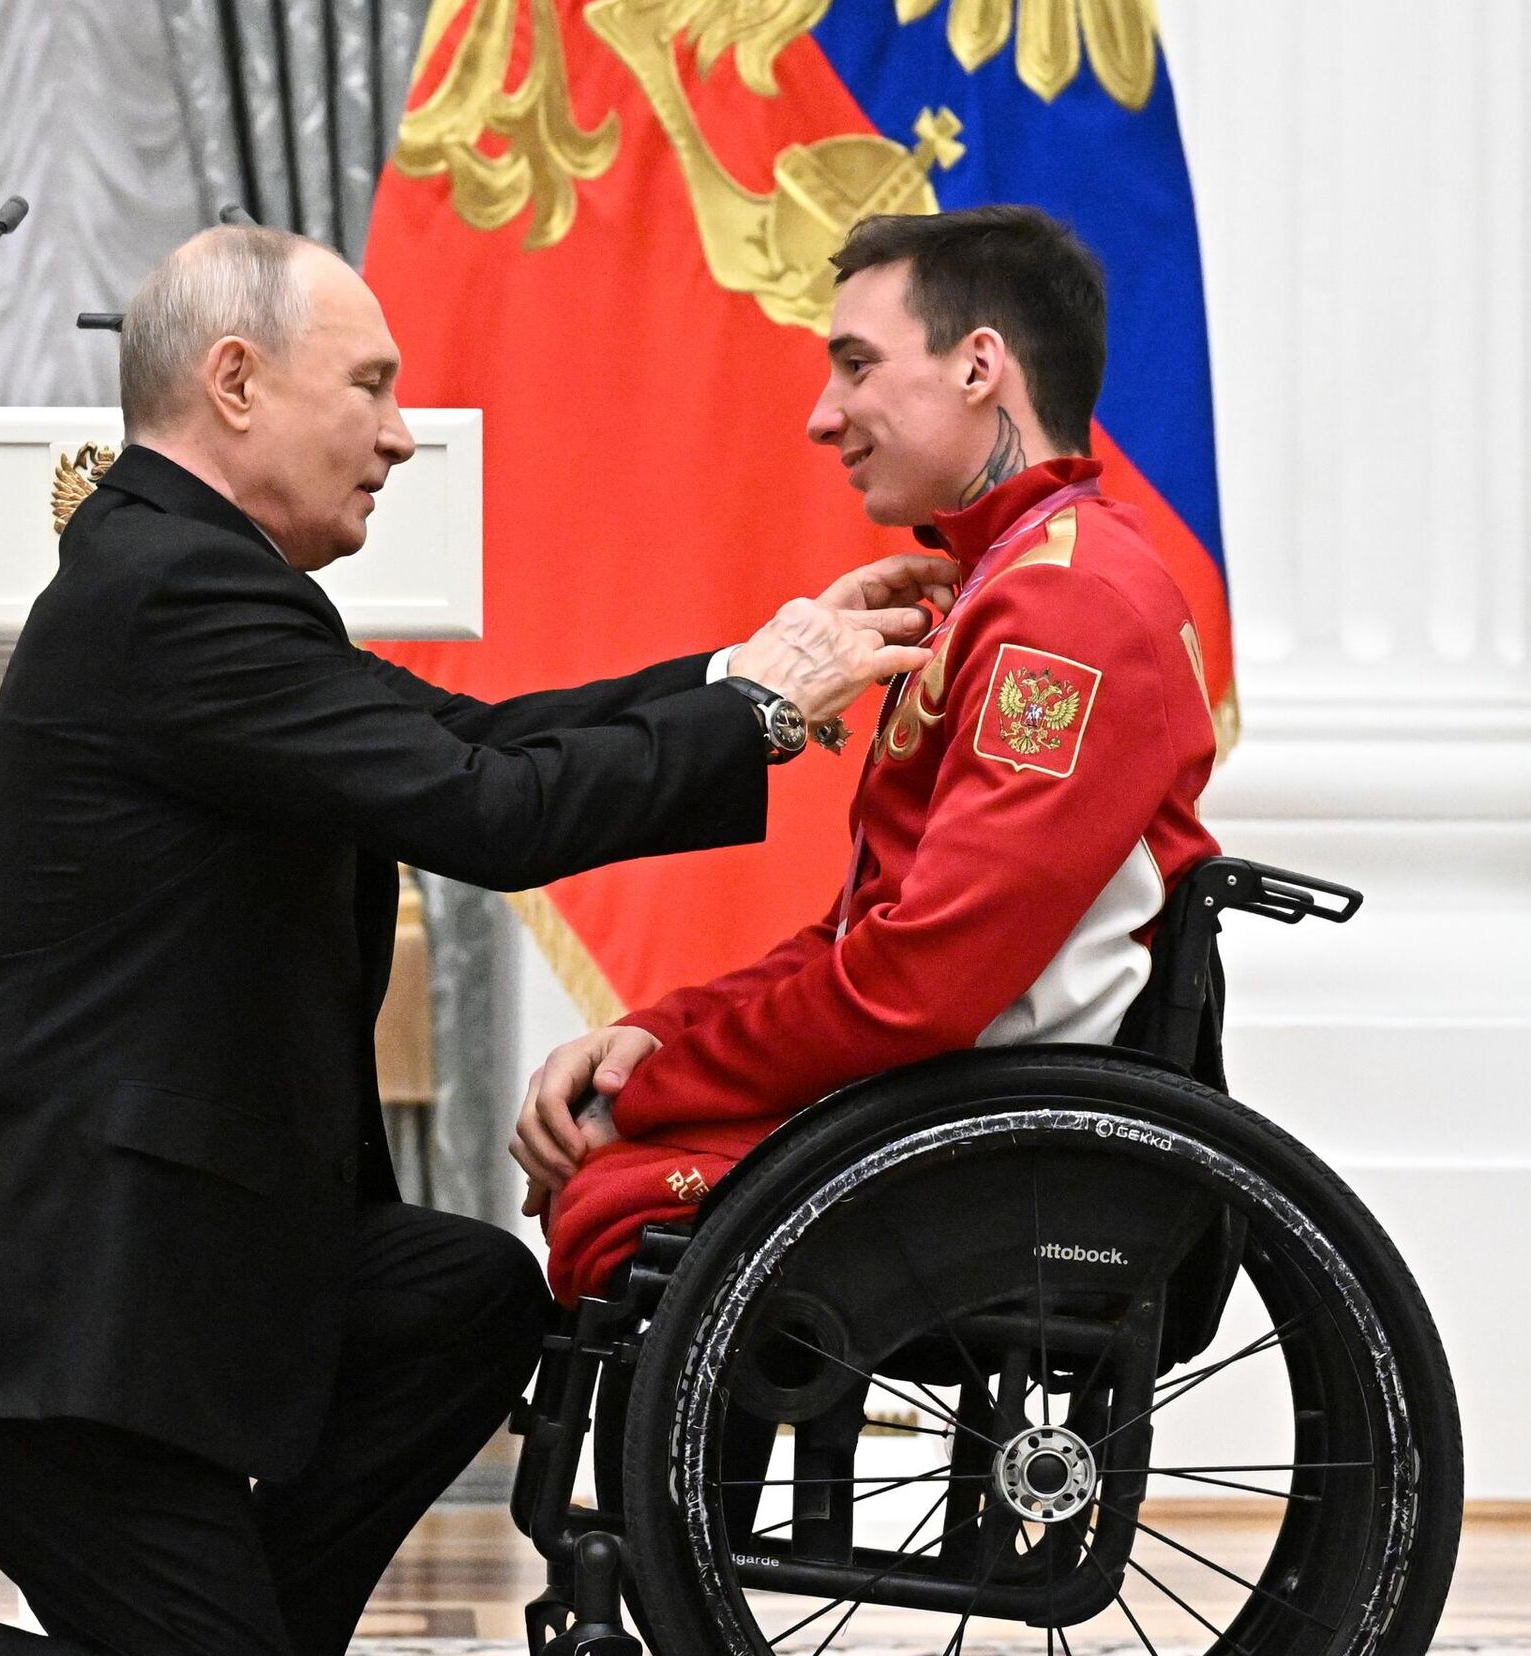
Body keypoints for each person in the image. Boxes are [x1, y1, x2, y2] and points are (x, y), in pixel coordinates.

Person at [0, 224, 946, 1656]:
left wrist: (750, 667)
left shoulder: (193, 576)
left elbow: (472, 739)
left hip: (129, 1240)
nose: (399, 431)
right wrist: (761, 713)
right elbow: (490, 808)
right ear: (234, 382)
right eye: (371, 385)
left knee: (460, 1293)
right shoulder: (170, 593)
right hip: (25, 1274)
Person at [514, 205, 1223, 1304]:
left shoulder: (1068, 606)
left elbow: (921, 984)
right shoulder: (1013, 584)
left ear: (979, 365)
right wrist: (648, 1035)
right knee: (605, 1176)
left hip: (994, 1136)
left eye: (856, 364)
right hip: (947, 1102)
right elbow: (862, 935)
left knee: (612, 1192)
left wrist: (647, 1093)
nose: (822, 416)